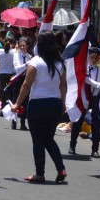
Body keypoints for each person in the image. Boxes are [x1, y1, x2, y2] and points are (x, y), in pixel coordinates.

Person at [13, 32, 67, 183]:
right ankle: (61, 168)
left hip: (38, 103)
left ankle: (40, 173)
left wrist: (17, 103)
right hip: (55, 103)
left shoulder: (35, 61)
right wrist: (62, 103)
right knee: (49, 138)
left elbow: (26, 85)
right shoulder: (60, 63)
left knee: (37, 139)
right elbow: (63, 85)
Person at [68, 47, 100, 157]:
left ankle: (95, 149)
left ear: (99, 58)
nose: (94, 60)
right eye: (92, 57)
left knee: (96, 124)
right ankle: (72, 145)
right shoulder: (83, 69)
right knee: (77, 122)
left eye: (96, 58)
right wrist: (93, 83)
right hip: (82, 97)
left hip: (95, 99)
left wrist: (89, 81)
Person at [4, 37, 31, 131]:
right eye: (20, 46)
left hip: (26, 80)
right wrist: (27, 64)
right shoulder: (16, 55)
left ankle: (23, 123)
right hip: (17, 80)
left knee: (25, 100)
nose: (22, 47)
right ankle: (14, 122)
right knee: (16, 100)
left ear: (27, 46)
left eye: (24, 45)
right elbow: (18, 69)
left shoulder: (29, 56)